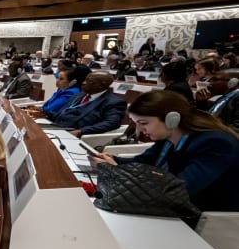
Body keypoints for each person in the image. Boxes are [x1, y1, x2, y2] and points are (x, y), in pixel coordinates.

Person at [90, 90, 239, 212]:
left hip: (199, 217)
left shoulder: (216, 143)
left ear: (171, 119)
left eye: (143, 123)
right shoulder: (168, 137)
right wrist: (111, 160)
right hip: (169, 207)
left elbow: (181, 189)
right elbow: (143, 162)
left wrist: (116, 170)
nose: (140, 130)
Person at [51, 72, 127, 137]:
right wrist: (45, 114)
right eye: (85, 80)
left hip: (77, 134)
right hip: (56, 128)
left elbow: (111, 123)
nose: (83, 83)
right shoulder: (79, 95)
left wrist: (81, 131)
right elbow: (62, 112)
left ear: (101, 85)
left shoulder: (114, 102)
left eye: (89, 81)